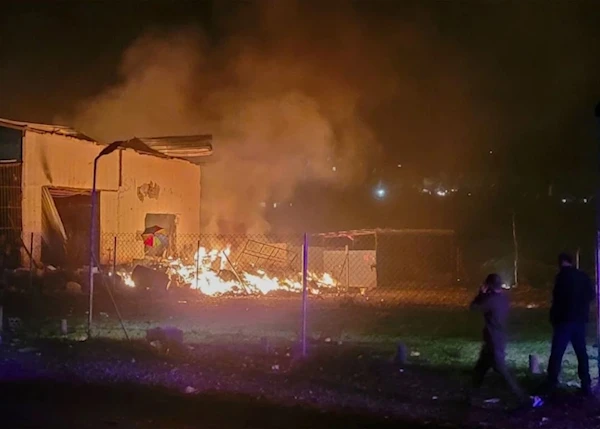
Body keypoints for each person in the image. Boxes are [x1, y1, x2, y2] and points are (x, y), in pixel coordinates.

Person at [470, 273, 543, 408]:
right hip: (496, 339)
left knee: (503, 372)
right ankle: (472, 397)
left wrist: (481, 294)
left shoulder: (490, 299)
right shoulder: (503, 298)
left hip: (493, 341)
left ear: (489, 286)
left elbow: (473, 307)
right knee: (479, 370)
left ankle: (526, 399)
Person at [545, 252, 595, 396]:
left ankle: (551, 383)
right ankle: (586, 384)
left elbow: (557, 300)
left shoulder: (561, 278)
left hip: (564, 320)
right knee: (581, 352)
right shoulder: (583, 276)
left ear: (560, 262)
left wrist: (553, 318)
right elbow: (591, 295)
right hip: (579, 320)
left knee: (557, 352)